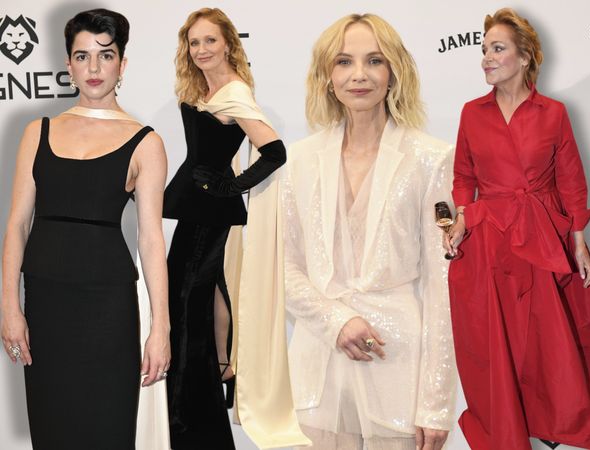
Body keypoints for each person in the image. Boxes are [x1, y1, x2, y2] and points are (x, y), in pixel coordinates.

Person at [283, 13, 457, 450]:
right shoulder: (299, 160)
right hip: (318, 365)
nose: (359, 74)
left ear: (394, 72)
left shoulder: (430, 158)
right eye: (344, 62)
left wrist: (435, 404)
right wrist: (336, 321)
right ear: (326, 76)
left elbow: (443, 285)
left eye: (374, 61)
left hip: (396, 363)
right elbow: (283, 266)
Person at [0, 8, 170, 450]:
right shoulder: (37, 132)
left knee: (106, 430)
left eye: (105, 55)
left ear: (122, 64)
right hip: (46, 305)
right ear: (68, 64)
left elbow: (152, 240)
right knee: (52, 431)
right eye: (82, 56)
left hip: (108, 309)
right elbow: (17, 224)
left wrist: (161, 329)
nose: (94, 67)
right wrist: (9, 306)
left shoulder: (146, 142)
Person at [445, 7, 590, 450]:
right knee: (498, 340)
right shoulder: (472, 113)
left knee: (548, 340)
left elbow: (572, 181)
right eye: (484, 50)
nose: (486, 58)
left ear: (525, 56)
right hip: (491, 238)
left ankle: (550, 423)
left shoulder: (554, 112)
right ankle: (507, 426)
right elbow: (464, 176)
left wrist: (579, 242)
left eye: (498, 49)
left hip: (542, 236)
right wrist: (460, 219)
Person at [163, 7, 308, 449]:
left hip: (211, 215)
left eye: (210, 40)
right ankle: (195, 402)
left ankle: (190, 417)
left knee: (187, 307)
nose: (202, 49)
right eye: (194, 42)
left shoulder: (234, 92)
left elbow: (275, 151)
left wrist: (231, 187)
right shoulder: (203, 88)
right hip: (195, 211)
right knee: (193, 303)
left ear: (228, 43)